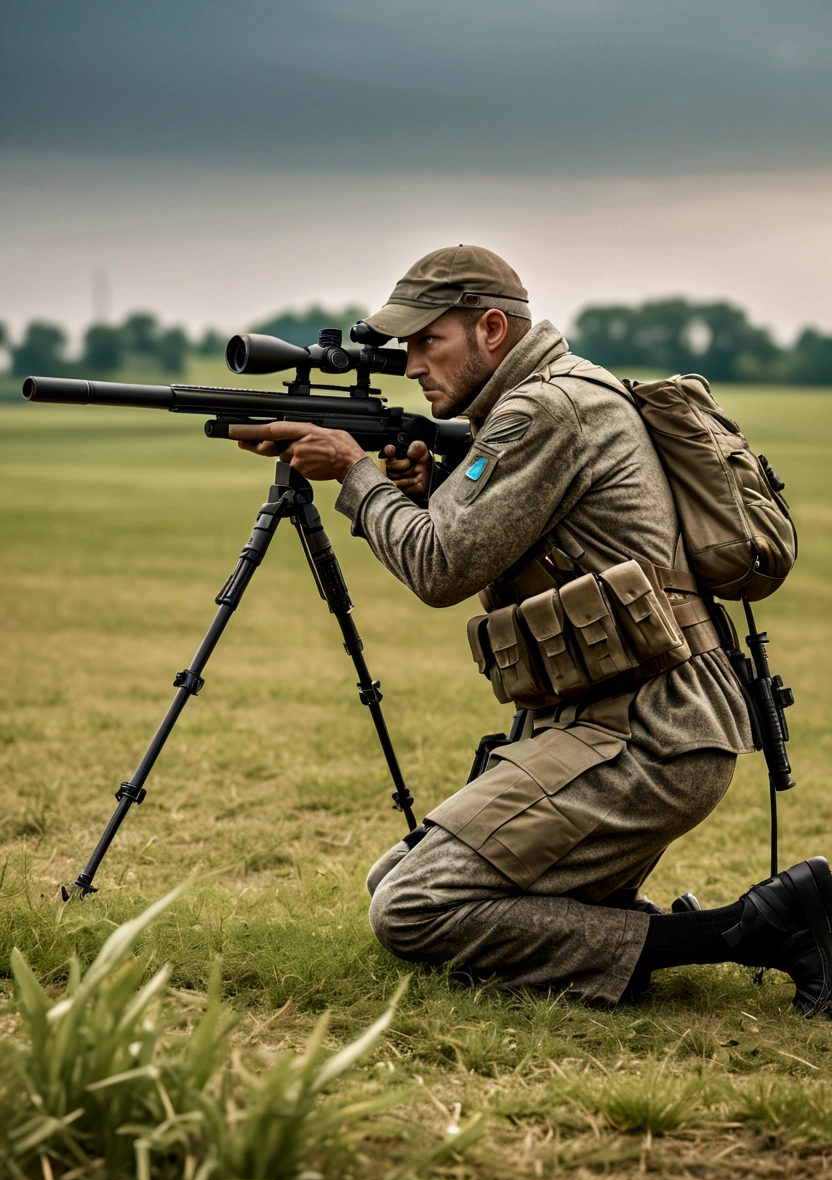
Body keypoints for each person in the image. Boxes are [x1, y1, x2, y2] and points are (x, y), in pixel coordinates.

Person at [230, 245, 832, 1015]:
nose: (410, 363)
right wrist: (433, 486)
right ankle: (633, 933)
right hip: (621, 721)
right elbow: (512, 537)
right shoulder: (552, 397)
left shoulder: (544, 411)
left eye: (427, 341)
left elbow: (439, 568)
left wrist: (355, 474)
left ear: (490, 329)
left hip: (650, 734)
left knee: (413, 907)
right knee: (397, 879)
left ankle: (758, 927)